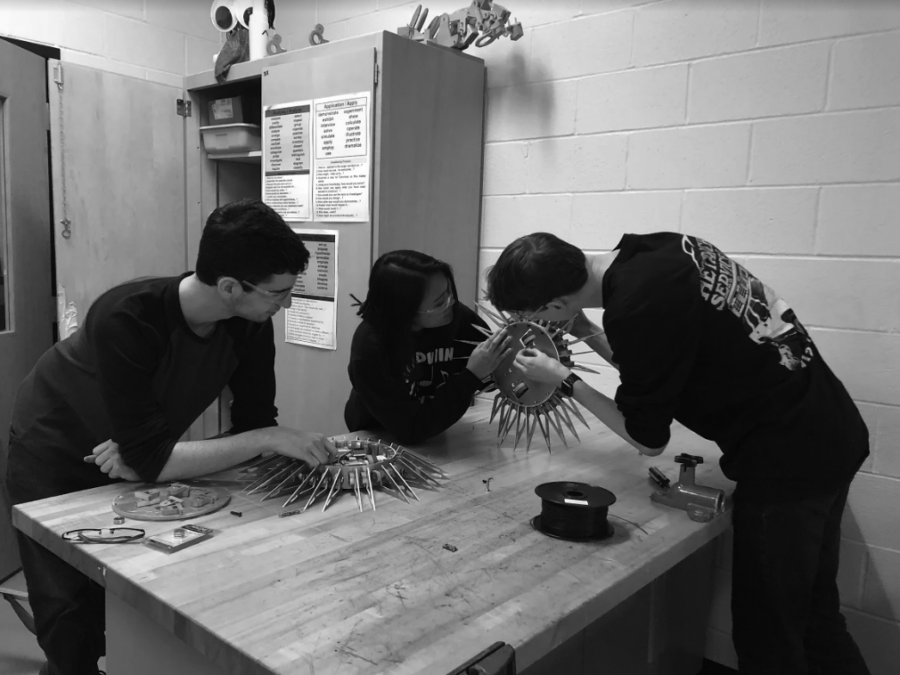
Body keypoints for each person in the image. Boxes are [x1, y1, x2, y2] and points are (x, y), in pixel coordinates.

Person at [487, 231, 870, 675]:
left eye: (531, 314)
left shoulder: (636, 307)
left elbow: (647, 439)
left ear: (554, 307)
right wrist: (589, 332)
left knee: (770, 637)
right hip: (830, 428)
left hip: (788, 460)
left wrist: (565, 380)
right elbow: (656, 369)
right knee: (814, 617)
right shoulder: (659, 250)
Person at [6, 198, 337, 675]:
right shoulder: (129, 314)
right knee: (69, 612)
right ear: (229, 287)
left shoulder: (249, 324)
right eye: (277, 293)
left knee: (133, 591)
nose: (285, 305)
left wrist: (155, 455)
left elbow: (249, 422)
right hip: (52, 446)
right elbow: (226, 441)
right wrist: (262, 438)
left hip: (126, 449)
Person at [345, 250, 510, 444]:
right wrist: (471, 376)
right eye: (440, 302)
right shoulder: (370, 347)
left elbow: (490, 377)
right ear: (405, 310)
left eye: (449, 292)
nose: (452, 302)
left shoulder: (455, 317)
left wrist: (509, 367)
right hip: (379, 439)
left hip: (436, 432)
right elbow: (410, 429)